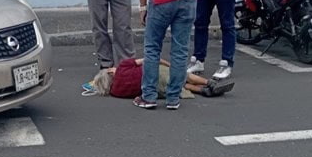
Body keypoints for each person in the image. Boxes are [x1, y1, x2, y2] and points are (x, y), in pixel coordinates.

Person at [90, 58, 234, 98]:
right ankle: (209, 83)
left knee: (179, 85)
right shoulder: (122, 67)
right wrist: (171, 65)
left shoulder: (116, 92)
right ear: (109, 71)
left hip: (154, 89)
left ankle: (202, 91)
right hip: (153, 74)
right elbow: (150, 59)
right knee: (183, 76)